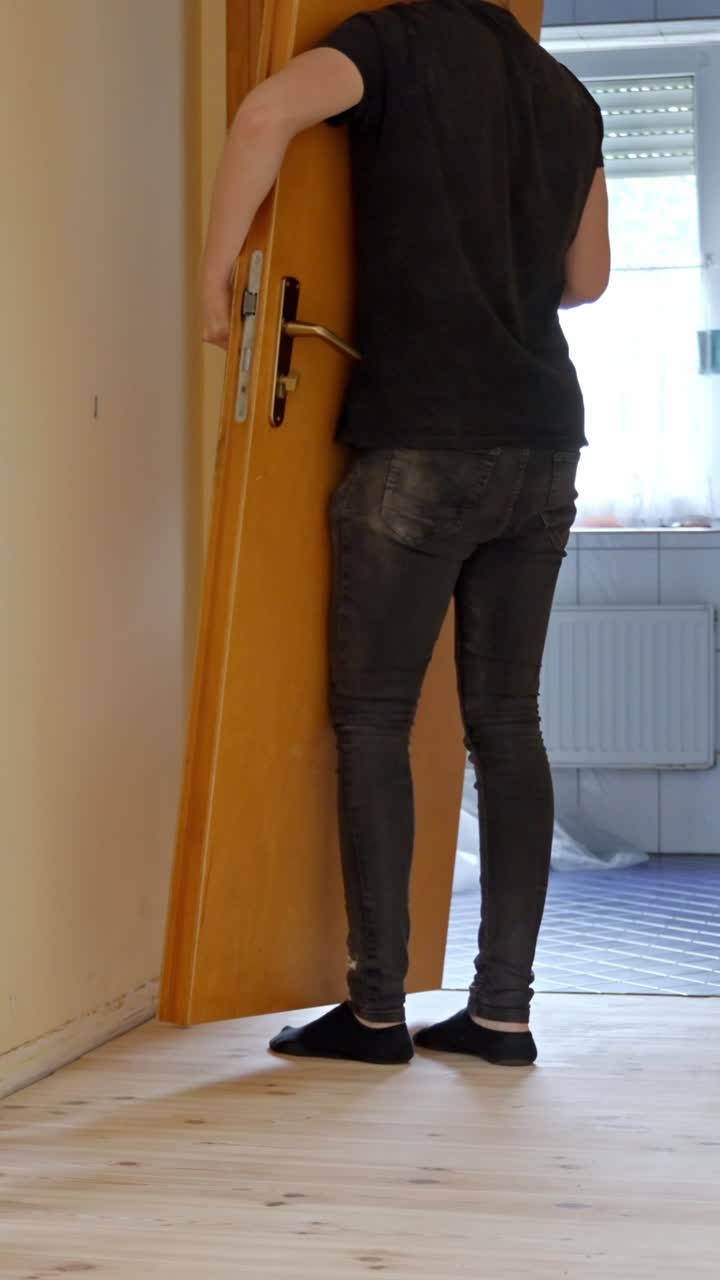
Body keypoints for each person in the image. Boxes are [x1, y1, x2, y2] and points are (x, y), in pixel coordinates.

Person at [201, 0, 610, 1068]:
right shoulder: (568, 97)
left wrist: (216, 275)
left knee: (376, 720)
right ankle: (502, 1013)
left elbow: (261, 119)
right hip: (543, 444)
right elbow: (587, 281)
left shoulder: (390, 44)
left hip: (422, 440)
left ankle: (375, 1010)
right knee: (507, 722)